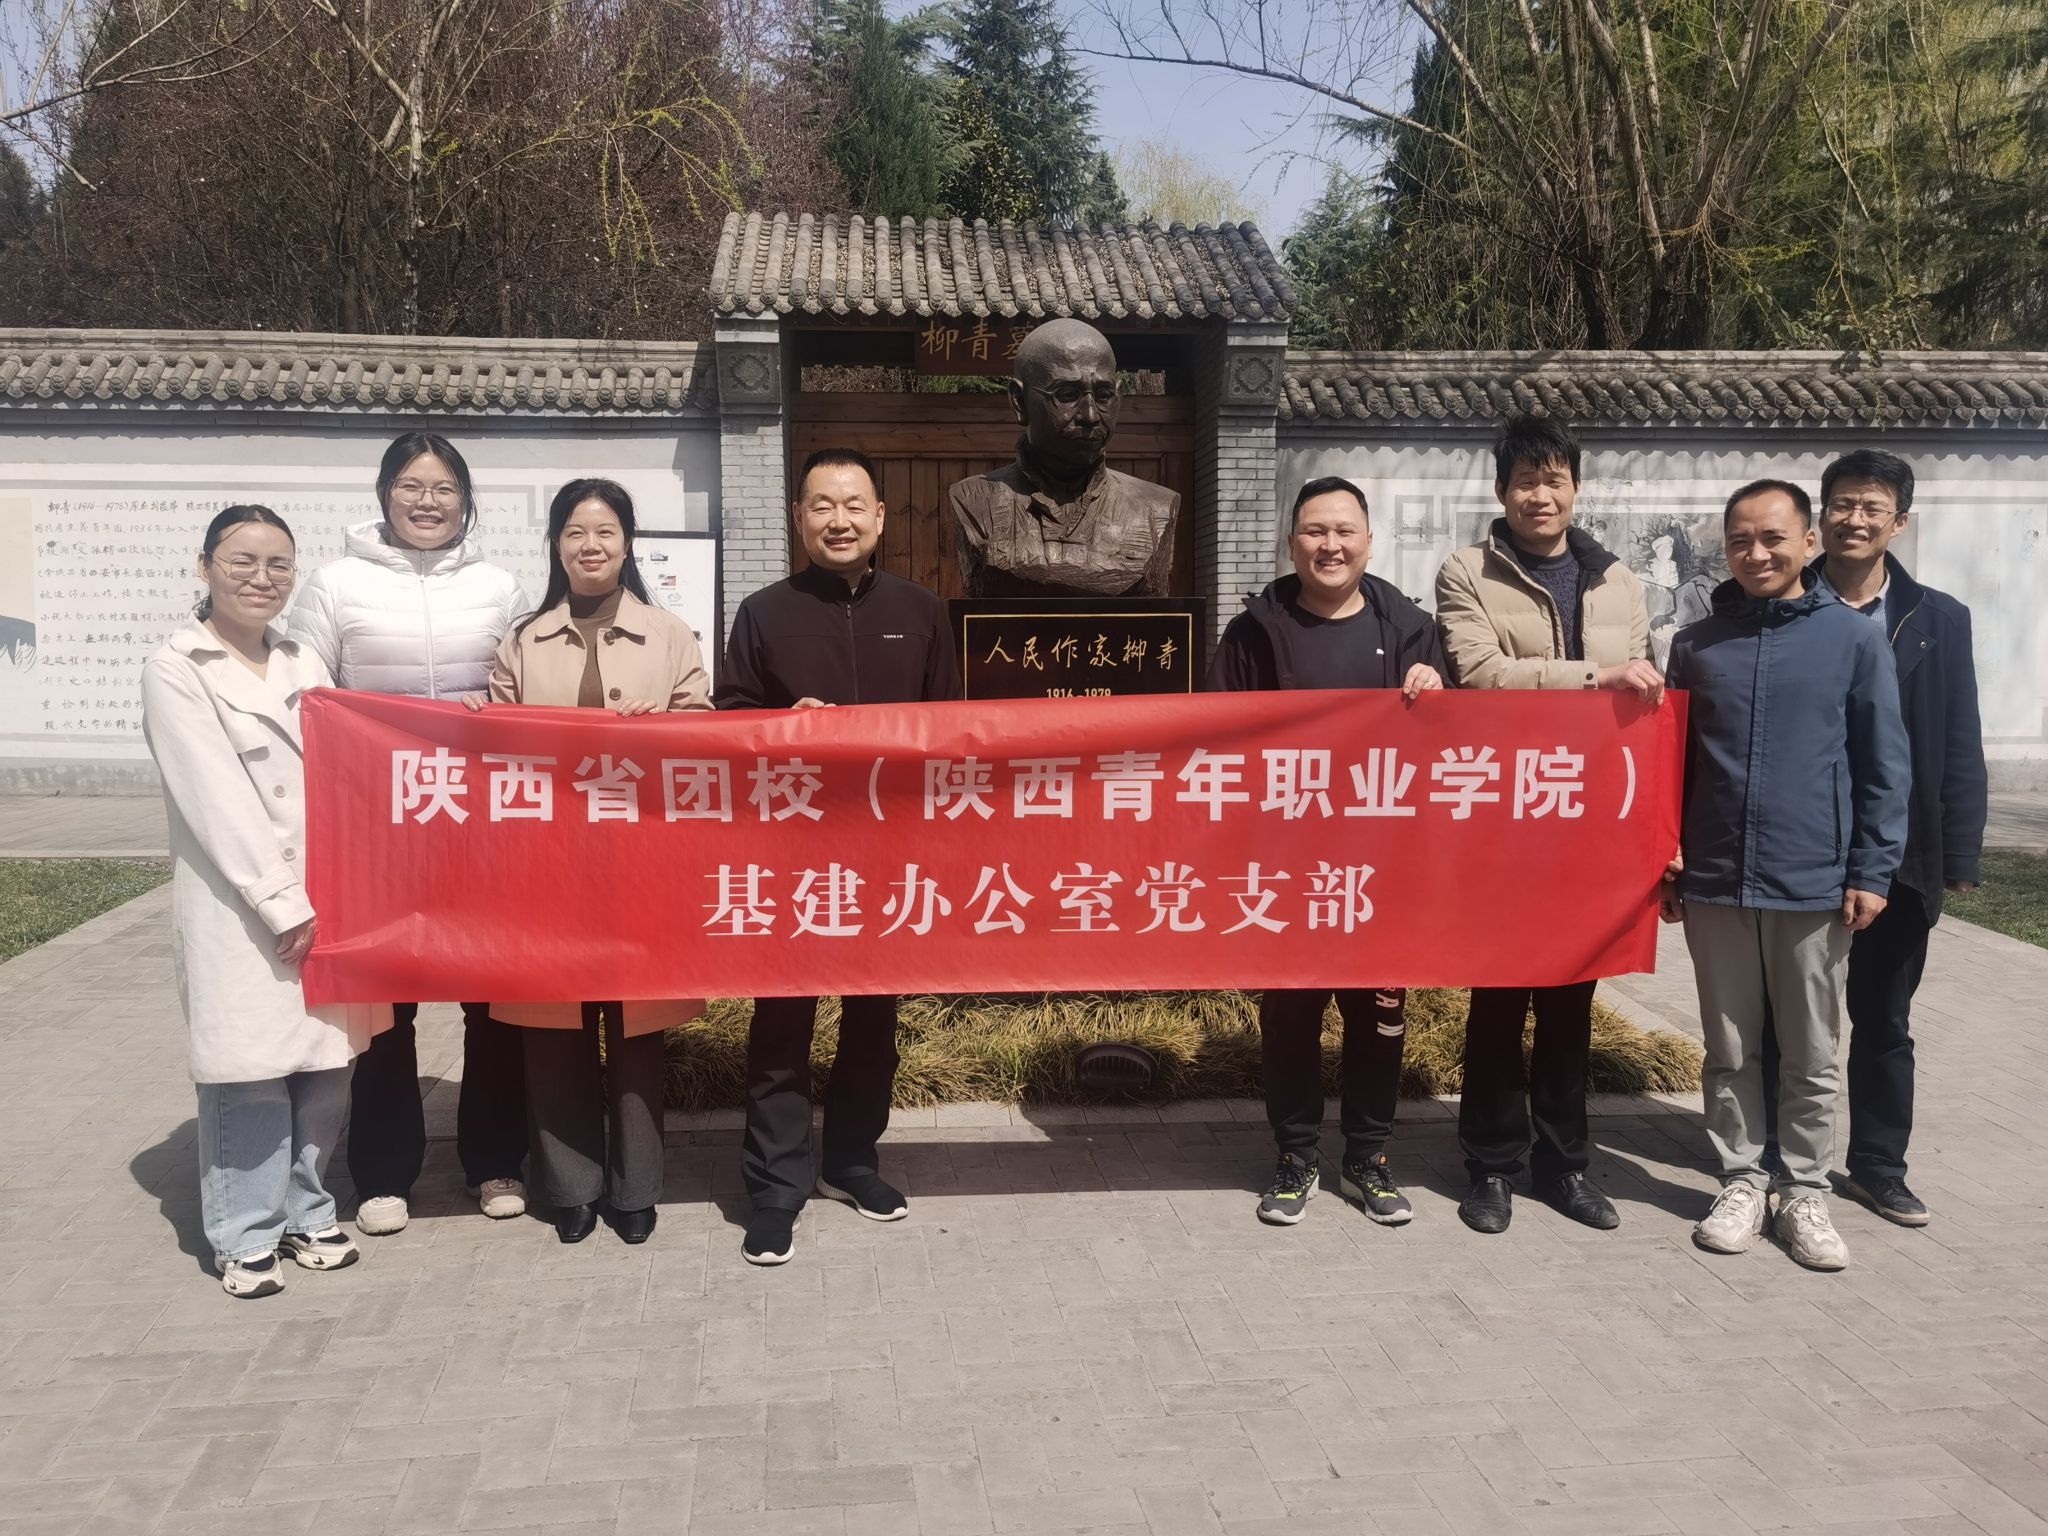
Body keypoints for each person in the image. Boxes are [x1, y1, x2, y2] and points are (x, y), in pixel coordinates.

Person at [717, 447, 960, 1267]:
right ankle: (775, 1190)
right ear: (799, 518)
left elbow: (950, 729)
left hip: (890, 852)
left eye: (854, 504)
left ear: (881, 517)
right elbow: (730, 722)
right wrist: (785, 724)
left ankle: (852, 1163)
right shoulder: (763, 613)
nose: (839, 520)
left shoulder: (921, 611)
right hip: (792, 851)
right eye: (822, 505)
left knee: (873, 1020)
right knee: (782, 1022)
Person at [142, 506, 392, 1297]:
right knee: (248, 1071)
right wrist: (282, 903)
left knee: (325, 1067)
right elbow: (214, 800)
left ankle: (308, 1211)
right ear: (205, 565)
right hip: (243, 902)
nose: (261, 577)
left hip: (329, 893)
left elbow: (354, 761)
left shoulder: (302, 661)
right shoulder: (178, 667)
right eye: (241, 560)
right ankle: (245, 1232)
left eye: (278, 563)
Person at [289, 431, 531, 1236]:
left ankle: (495, 1160)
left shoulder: (498, 586)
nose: (428, 502)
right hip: (375, 825)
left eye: (444, 488)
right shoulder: (336, 584)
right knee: (383, 1005)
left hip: (480, 822)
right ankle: (384, 1173)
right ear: (384, 493)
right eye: (412, 486)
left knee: (492, 1000)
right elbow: (306, 694)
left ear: (466, 500)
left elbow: (523, 689)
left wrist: (499, 711)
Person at [1664, 479, 1909, 1271]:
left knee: (1811, 1051)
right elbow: (1670, 765)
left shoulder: (1854, 640)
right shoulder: (1696, 646)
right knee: (1728, 1047)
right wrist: (1667, 857)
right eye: (1740, 539)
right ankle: (1741, 1180)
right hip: (1716, 877)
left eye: (1773, 538)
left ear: (1809, 542)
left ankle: (1804, 1191)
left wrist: (1872, 868)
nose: (1756, 553)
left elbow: (1883, 765)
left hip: (1813, 879)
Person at [1434, 413, 1663, 1235]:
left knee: (1572, 1003)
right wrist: (1599, 676)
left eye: (1554, 478)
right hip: (1504, 819)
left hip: (1590, 825)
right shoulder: (1467, 571)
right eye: (1526, 480)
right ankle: (1490, 1167)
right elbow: (1482, 675)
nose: (1541, 494)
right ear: (1502, 491)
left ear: (1575, 488)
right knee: (1498, 999)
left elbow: (1646, 701)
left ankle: (1564, 1166)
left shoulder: (1618, 582)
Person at [472, 478, 710, 1244]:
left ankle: (636, 1189)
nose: (591, 545)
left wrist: (662, 724)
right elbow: (494, 744)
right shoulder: (524, 639)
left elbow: (705, 734)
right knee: (552, 1030)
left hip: (639, 864)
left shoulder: (668, 635)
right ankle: (571, 1188)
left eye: (605, 530)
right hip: (545, 864)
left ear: (628, 542)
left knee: (636, 1033)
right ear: (556, 545)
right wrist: (478, 721)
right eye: (575, 531)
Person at [1208, 476, 1447, 1228]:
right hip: (1286, 866)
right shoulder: (1253, 632)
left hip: (1382, 867)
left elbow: (1452, 749)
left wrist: (1439, 691)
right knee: (1291, 1019)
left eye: (1345, 531)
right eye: (1315, 531)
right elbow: (1216, 738)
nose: (1330, 545)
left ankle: (1370, 1158)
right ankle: (1296, 1156)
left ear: (1369, 542)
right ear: (1292, 544)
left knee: (1378, 1018)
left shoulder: (1411, 630)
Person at [1805, 451, 1985, 1225]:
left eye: (1871, 507)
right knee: (1791, 1020)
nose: (1854, 519)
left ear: (1899, 521)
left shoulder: (1937, 620)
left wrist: (1960, 849)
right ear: (1821, 514)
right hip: (1801, 844)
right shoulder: (1776, 602)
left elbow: (1959, 735)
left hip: (1901, 853)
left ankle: (1878, 1166)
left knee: (1883, 1020)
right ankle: (1778, 1158)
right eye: (1842, 504)